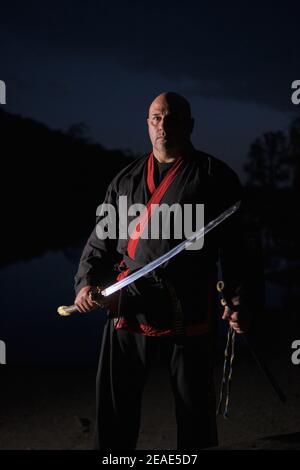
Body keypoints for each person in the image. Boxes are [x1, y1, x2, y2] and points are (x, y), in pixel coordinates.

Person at [74, 92, 250, 450]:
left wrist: (238, 299)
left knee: (194, 406)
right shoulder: (126, 180)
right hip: (130, 301)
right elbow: (100, 241)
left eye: (172, 118)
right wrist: (86, 283)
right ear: (147, 124)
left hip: (189, 302)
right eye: (156, 118)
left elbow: (238, 250)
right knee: (115, 404)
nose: (163, 126)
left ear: (190, 125)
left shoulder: (215, 176)